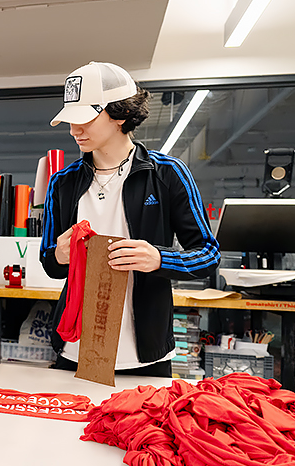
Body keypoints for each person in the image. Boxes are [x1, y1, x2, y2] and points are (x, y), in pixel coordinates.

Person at [40, 62, 220, 377]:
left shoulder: (167, 174)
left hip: (144, 355)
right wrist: (59, 254)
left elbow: (207, 253)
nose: (73, 130)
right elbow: (50, 264)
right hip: (75, 349)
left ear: (120, 114)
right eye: (70, 120)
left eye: (85, 120)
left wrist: (159, 258)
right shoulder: (62, 183)